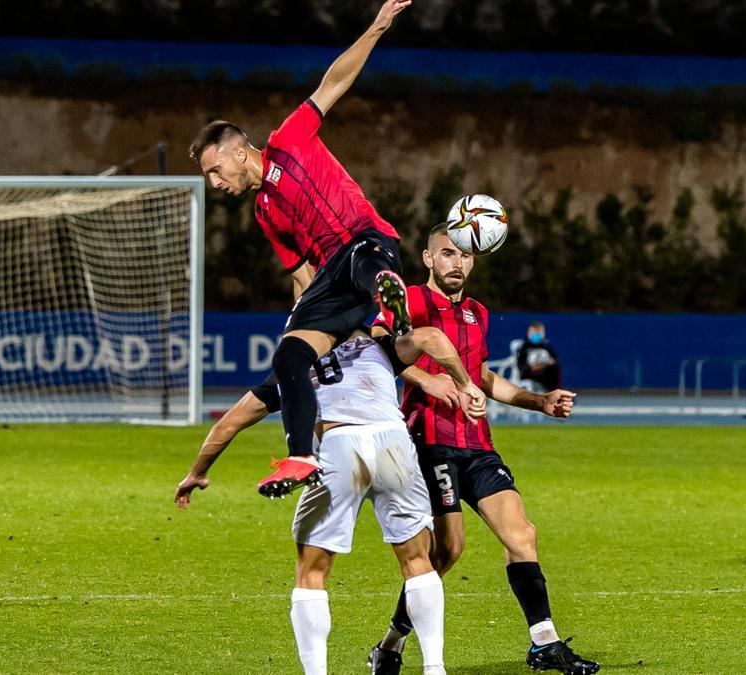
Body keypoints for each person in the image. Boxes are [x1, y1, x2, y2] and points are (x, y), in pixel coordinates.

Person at [188, 0, 414, 499]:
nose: (214, 182)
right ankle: (301, 457)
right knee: (289, 354)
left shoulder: (288, 139)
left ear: (238, 151)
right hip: (335, 281)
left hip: (368, 244)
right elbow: (301, 274)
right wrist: (309, 324)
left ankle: (386, 292)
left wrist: (376, 28)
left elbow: (333, 83)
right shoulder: (264, 212)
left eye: (214, 171)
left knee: (363, 260)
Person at [177, 327, 487, 675]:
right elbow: (431, 337)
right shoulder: (380, 345)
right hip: (393, 444)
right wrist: (464, 382)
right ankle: (434, 668)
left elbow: (228, 424)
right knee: (418, 561)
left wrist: (197, 473)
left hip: (338, 444)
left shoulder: (297, 362)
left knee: (312, 572)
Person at [367, 223, 598, 675]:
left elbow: (483, 377)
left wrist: (538, 401)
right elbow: (376, 348)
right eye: (448, 254)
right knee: (448, 552)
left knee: (522, 534)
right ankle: (390, 644)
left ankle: (544, 641)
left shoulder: (477, 313)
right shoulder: (409, 299)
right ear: (429, 259)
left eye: (466, 256)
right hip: (428, 441)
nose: (458, 263)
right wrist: (425, 379)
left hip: (477, 443)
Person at [516, 321, 561, 391]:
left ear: (543, 333)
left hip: (545, 373)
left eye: (539, 333)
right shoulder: (525, 347)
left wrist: (547, 363)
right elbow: (521, 365)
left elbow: (553, 360)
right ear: (528, 333)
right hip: (530, 374)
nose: (536, 335)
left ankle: (556, 391)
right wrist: (531, 368)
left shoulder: (546, 346)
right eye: (533, 333)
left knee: (555, 369)